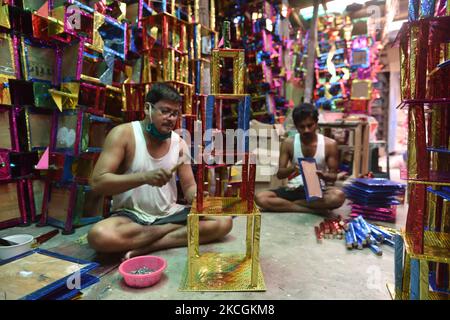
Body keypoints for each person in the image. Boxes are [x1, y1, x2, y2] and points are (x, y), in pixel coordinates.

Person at [88, 83, 232, 259]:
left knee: (224, 221)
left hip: (169, 212)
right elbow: (97, 183)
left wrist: (197, 197)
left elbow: (188, 187)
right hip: (131, 217)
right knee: (99, 236)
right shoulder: (123, 134)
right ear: (147, 108)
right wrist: (144, 177)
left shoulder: (179, 143)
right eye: (164, 111)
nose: (171, 118)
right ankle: (171, 230)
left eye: (175, 113)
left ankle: (149, 246)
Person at [255, 103, 345, 214]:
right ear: (296, 126)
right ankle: (306, 208)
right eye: (302, 127)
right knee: (260, 198)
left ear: (316, 123)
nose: (306, 130)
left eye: (310, 125)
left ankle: (292, 205)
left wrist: (322, 175)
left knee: (338, 197)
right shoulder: (288, 143)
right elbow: (280, 174)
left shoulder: (330, 144)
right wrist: (293, 168)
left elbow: (333, 177)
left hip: (317, 190)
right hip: (293, 188)